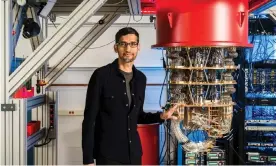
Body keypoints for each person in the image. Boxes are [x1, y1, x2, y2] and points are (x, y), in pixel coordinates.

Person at [82, 27, 179, 165]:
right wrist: (88, 159)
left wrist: (161, 116)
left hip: (134, 154)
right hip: (108, 155)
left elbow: (138, 116)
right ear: (116, 48)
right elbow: (89, 120)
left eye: (133, 44)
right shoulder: (101, 76)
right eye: (123, 44)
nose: (128, 49)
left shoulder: (141, 79)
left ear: (138, 47)